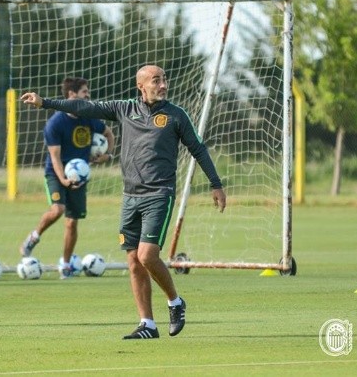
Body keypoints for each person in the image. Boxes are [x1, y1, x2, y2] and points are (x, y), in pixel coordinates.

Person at [21, 64, 227, 340]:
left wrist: (216, 184)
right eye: (156, 80)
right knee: (133, 261)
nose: (163, 84)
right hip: (130, 195)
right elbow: (84, 107)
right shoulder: (124, 109)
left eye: (164, 79)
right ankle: (148, 325)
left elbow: (198, 149)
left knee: (146, 255)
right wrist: (45, 102)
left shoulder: (176, 116)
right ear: (140, 85)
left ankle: (175, 302)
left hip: (159, 194)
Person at [18, 77, 116, 279]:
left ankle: (65, 264)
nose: (87, 95)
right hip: (56, 173)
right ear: (71, 95)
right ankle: (34, 236)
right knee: (57, 209)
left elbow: (109, 134)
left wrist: (108, 155)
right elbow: (54, 156)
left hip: (80, 175)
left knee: (72, 222)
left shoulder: (90, 117)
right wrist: (63, 179)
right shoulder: (56, 123)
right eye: (84, 91)